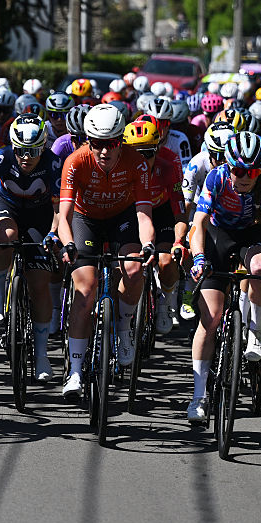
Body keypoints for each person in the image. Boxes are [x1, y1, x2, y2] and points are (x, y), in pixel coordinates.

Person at [186, 132, 261, 422]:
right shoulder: (215, 178)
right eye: (239, 170)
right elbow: (199, 223)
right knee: (211, 318)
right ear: (228, 166)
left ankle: (256, 333)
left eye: (252, 171)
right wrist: (198, 258)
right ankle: (198, 397)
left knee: (259, 268)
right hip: (219, 236)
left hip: (253, 235)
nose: (245, 177)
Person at [57, 104, 155, 398]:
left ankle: (124, 327)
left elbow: (144, 214)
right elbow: (64, 216)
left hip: (122, 219)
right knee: (86, 290)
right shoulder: (75, 162)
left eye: (110, 143)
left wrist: (148, 244)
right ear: (88, 141)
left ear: (120, 141)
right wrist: (68, 244)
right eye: (96, 144)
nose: (103, 151)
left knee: (135, 267)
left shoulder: (136, 163)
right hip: (86, 220)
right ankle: (74, 371)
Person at [0, 113, 61, 380]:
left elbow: (60, 206)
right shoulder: (1, 157)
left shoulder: (53, 162)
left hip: (40, 216)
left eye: (34, 151)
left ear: (44, 146)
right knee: (6, 235)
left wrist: (53, 233)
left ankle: (41, 356)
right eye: (21, 151)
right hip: (8, 207)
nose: (26, 157)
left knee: (39, 283)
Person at [122, 118, 185, 334]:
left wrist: (178, 241)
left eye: (147, 153)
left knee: (166, 261)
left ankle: (166, 302)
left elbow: (179, 210)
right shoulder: (119, 164)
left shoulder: (169, 164)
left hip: (161, 211)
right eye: (135, 153)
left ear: (158, 149)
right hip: (132, 212)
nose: (141, 159)